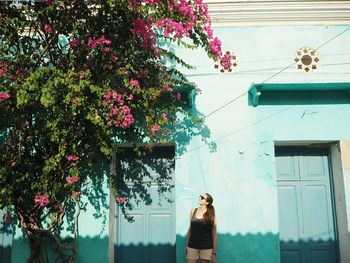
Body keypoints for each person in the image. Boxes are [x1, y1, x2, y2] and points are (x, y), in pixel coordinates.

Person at [185, 193, 217, 263]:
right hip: (192, 246)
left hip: (206, 247)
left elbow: (214, 233)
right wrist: (186, 245)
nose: (200, 198)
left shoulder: (211, 214)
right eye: (200, 196)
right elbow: (190, 229)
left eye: (202, 197)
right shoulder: (193, 211)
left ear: (207, 202)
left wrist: (214, 253)